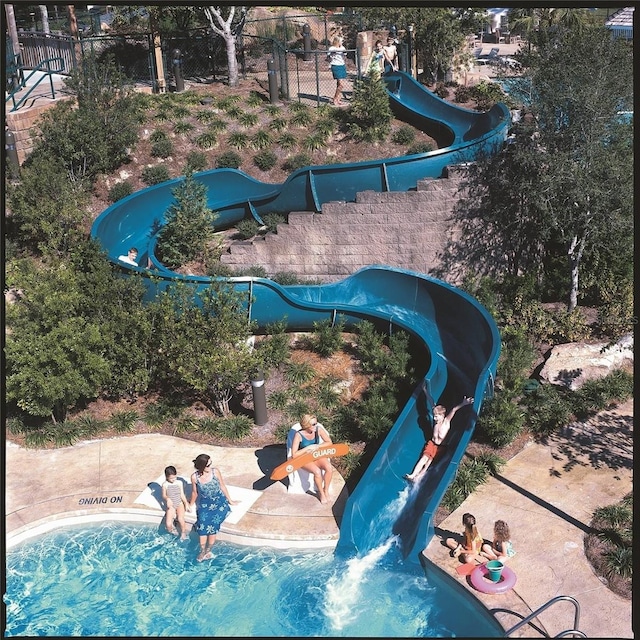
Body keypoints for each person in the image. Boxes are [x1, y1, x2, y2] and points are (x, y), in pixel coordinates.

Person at [404, 396, 474, 482]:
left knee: (428, 464)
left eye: (436, 416)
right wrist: (425, 391)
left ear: (442, 415)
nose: (434, 418)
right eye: (434, 416)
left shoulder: (446, 422)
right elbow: (432, 402)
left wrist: (464, 403)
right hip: (432, 443)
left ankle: (418, 478)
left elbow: (453, 410)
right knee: (424, 458)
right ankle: (413, 475)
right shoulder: (436, 421)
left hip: (441, 447)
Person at [188, 453, 239, 562]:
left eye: (211, 464)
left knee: (213, 525)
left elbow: (222, 486)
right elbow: (194, 493)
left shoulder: (215, 472)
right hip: (205, 504)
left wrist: (230, 500)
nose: (210, 466)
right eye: (208, 465)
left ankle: (208, 550)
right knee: (202, 525)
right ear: (202, 466)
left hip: (219, 503)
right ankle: (202, 551)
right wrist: (190, 504)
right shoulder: (195, 477)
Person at [290, 414, 333, 504]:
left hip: (316, 455)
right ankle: (321, 493)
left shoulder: (318, 430)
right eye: (313, 424)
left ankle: (326, 490)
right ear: (306, 425)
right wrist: (307, 449)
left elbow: (329, 442)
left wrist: (317, 446)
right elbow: (294, 454)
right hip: (304, 458)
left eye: (316, 423)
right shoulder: (298, 435)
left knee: (329, 467)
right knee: (317, 472)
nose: (316, 426)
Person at [161, 465, 189, 540]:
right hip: (171, 504)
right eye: (171, 478)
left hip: (179, 503)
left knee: (180, 518)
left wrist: (186, 503)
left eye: (174, 477)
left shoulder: (179, 483)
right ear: (166, 477)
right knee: (168, 524)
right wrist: (167, 499)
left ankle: (183, 532)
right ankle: (173, 532)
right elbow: (164, 495)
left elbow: (182, 494)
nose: (173, 479)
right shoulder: (165, 485)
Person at [327, 36, 347, 106]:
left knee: (339, 84)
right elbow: (329, 56)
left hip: (342, 65)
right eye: (341, 41)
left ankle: (338, 98)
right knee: (341, 85)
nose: (342, 42)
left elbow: (345, 54)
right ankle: (335, 98)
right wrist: (333, 53)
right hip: (335, 66)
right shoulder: (332, 48)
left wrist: (342, 48)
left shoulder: (342, 47)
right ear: (337, 41)